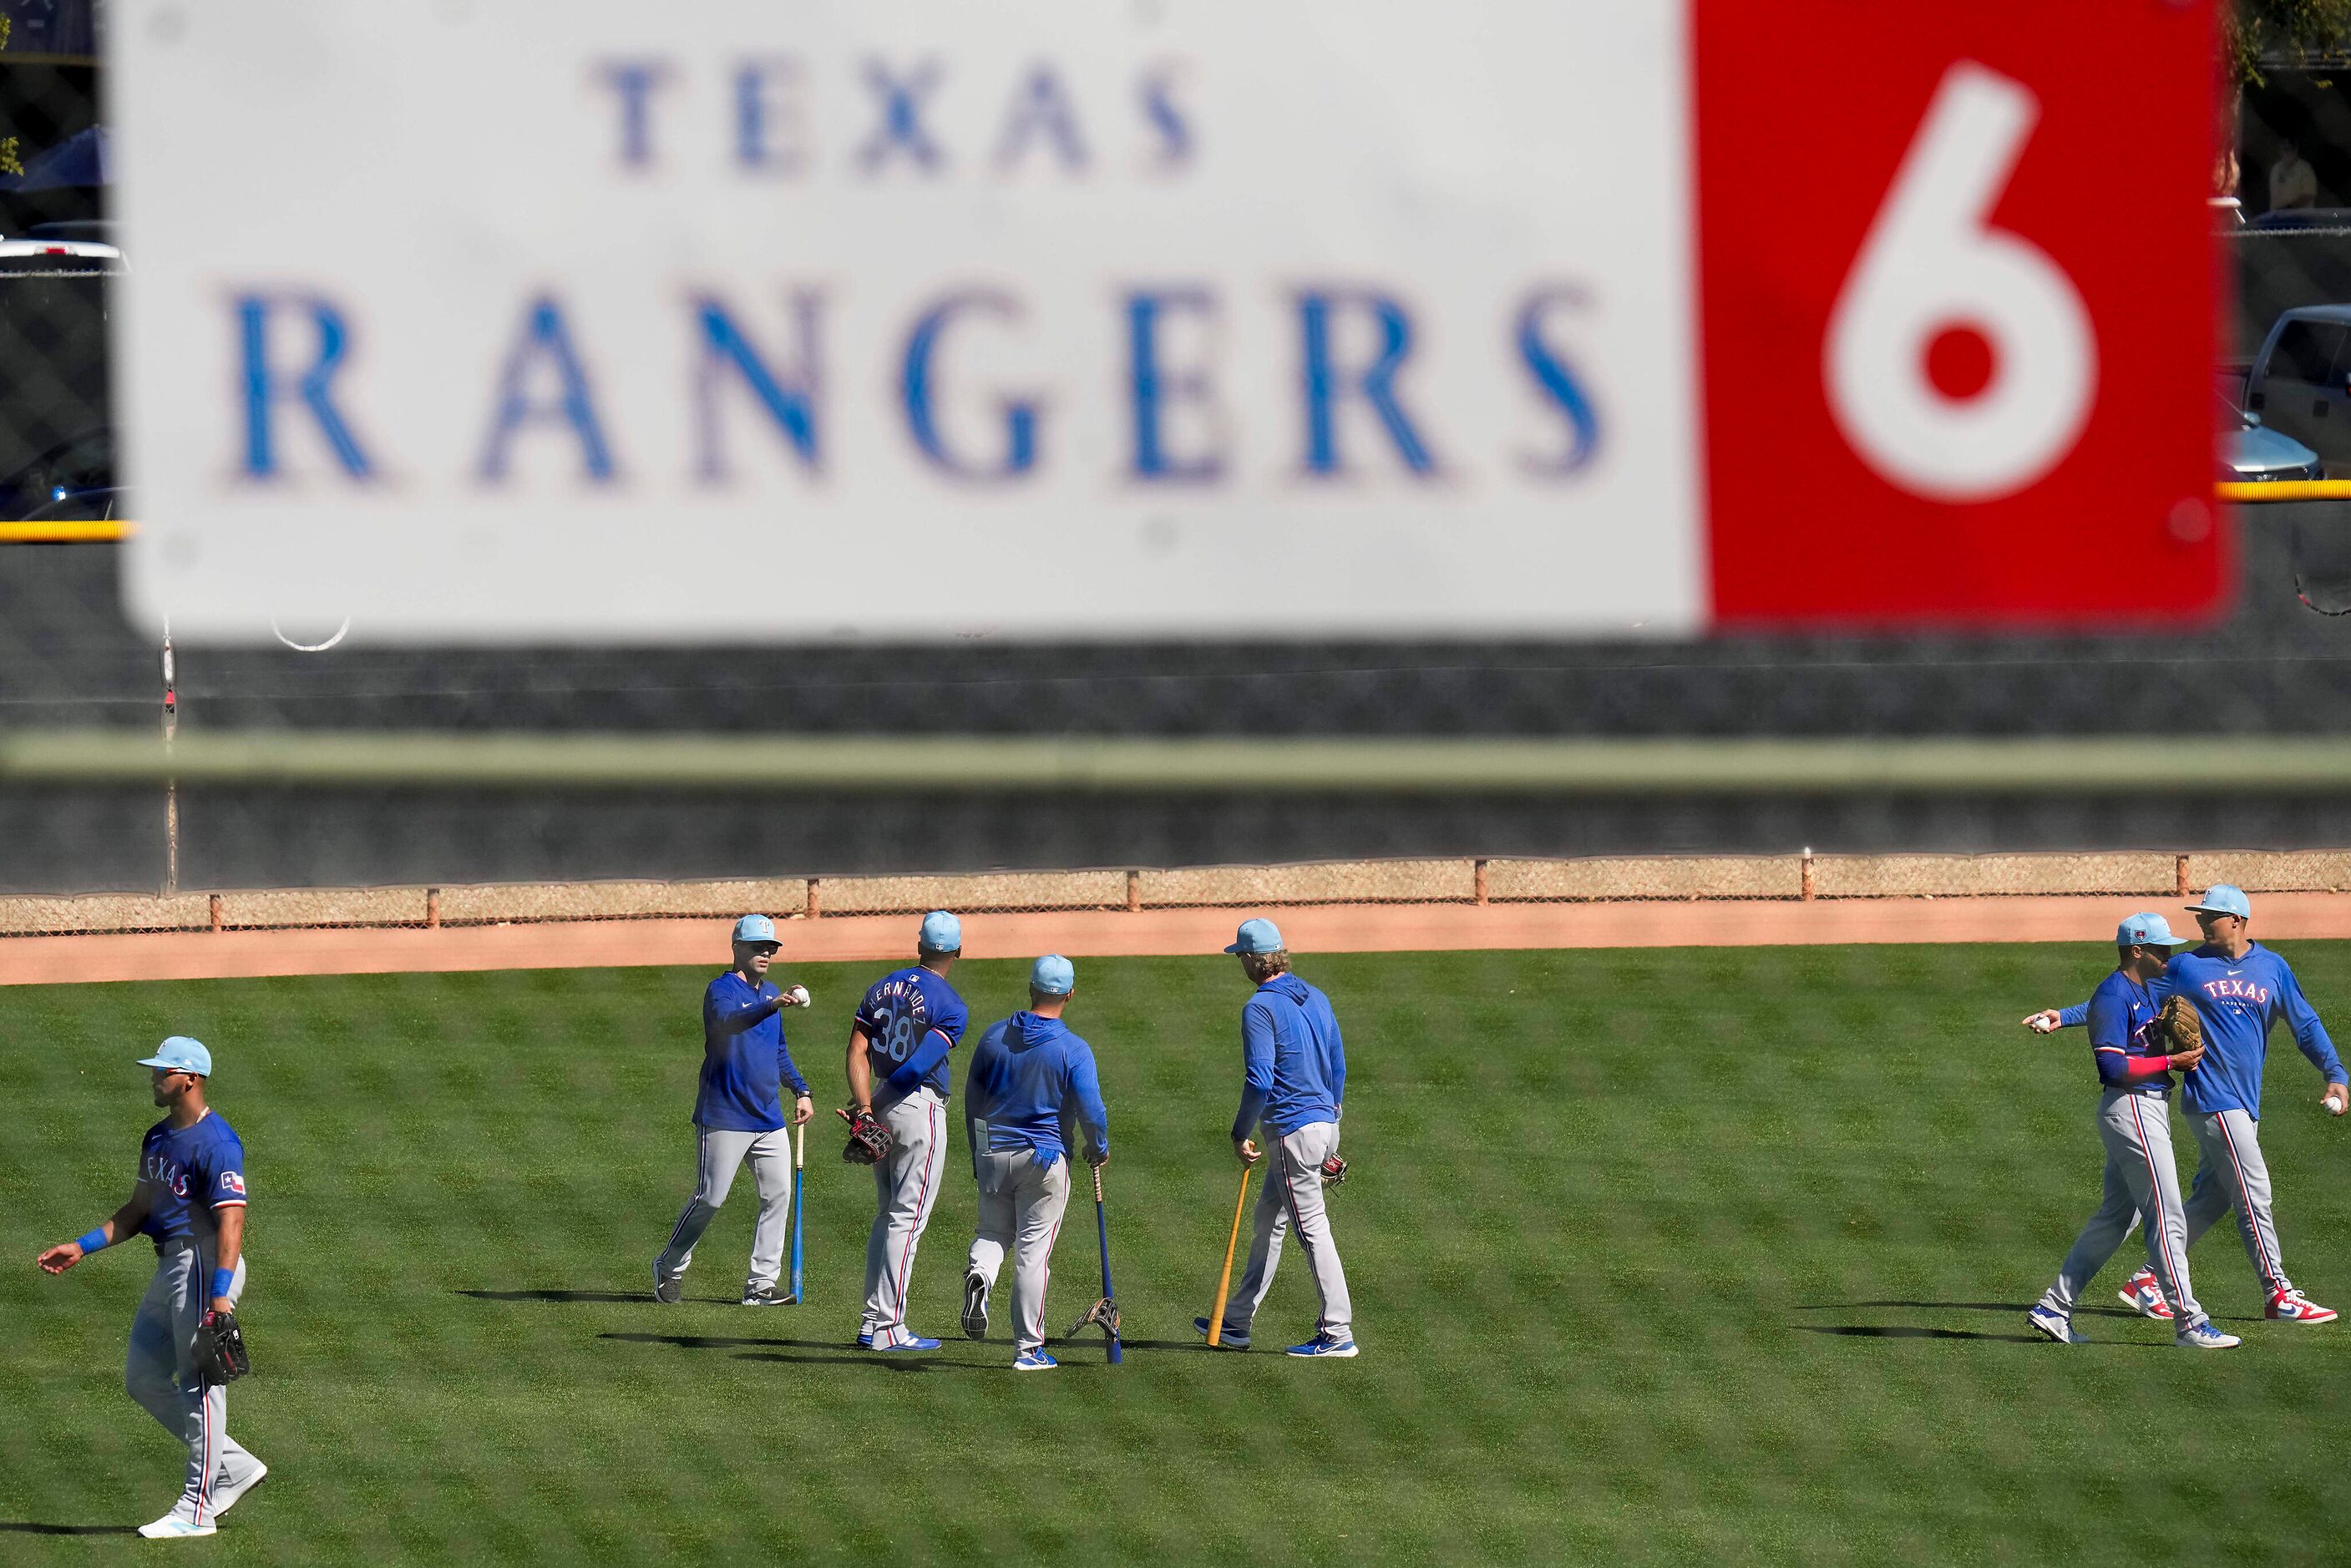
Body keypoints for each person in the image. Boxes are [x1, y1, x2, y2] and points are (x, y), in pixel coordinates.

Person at [36, 1037, 268, 1539]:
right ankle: (235, 1467)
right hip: (171, 1268)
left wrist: (221, 1296)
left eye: (163, 1070)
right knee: (142, 1377)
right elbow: (140, 1210)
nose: (153, 1077)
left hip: (205, 1265)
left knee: (199, 1385)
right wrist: (82, 1245)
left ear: (190, 1078)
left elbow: (231, 1223)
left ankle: (196, 1510)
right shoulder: (159, 1138)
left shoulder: (219, 1143)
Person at [2021, 917, 2238, 1348]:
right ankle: (2189, 1322)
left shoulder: (2142, 989)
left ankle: (2053, 1308)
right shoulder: (2115, 991)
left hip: (2144, 1108)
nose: (2169, 955)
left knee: (2117, 1217)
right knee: (2168, 1214)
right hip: (2132, 1108)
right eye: (2161, 949)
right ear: (2137, 950)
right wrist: (2170, 1063)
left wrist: (2064, 1016)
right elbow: (2112, 1066)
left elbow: (2103, 1015)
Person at [2162, 886, 2344, 1323]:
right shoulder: (2185, 965)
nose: (2202, 922)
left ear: (2238, 920)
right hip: (2212, 1097)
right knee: (2253, 1191)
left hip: (2245, 1102)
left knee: (2214, 1197)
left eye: (2211, 916)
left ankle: (2151, 1277)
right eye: (2200, 915)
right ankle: (2276, 1291)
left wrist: (2335, 1073)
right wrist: (2066, 1015)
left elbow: (2305, 1024)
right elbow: (2125, 998)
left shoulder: (2272, 968)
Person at [1195, 918, 1357, 1358]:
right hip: (1325, 1126)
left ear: (1252, 959)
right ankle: (1236, 1322)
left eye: (1241, 957)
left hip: (1292, 1133)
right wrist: (1331, 1119)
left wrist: (1239, 1131)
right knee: (1269, 1222)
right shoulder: (1316, 997)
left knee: (1313, 1231)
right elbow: (1338, 1065)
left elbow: (1260, 1079)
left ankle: (1337, 1332)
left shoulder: (1260, 1008)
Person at [652, 914, 814, 1307]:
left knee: (778, 1195)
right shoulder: (720, 991)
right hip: (724, 1114)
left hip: (767, 1117)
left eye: (771, 948)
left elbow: (778, 1051)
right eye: (758, 947)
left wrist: (801, 1089)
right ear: (737, 949)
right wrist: (770, 1004)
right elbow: (728, 1023)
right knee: (710, 1198)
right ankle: (669, 1266)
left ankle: (761, 1284)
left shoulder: (772, 991)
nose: (765, 953)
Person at [958, 954, 1110, 1371]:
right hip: (1044, 1160)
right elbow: (1091, 1111)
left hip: (993, 1153)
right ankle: (1028, 1349)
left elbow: (973, 1099)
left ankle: (982, 1276)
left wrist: (977, 1150)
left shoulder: (993, 1037)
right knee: (1032, 1252)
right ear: (1070, 995)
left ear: (1031, 989)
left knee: (992, 1231)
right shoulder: (1073, 1049)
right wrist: (1098, 1146)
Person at [846, 910, 970, 1351]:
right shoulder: (952, 1006)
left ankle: (869, 1321)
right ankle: (888, 1328)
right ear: (957, 951)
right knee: (907, 1219)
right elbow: (918, 1067)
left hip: (880, 1103)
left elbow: (857, 1050)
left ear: (920, 945)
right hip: (918, 1110)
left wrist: (865, 1108)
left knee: (886, 1217)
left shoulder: (881, 987)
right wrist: (874, 1105)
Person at [2270, 141, 2318, 213]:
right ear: (2280, 151)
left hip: (2301, 217)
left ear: (2296, 151)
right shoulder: (2275, 169)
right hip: (2278, 217)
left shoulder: (2305, 168)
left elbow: (2309, 195)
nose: (2288, 152)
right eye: (2285, 149)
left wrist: (2288, 208)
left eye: (2290, 149)